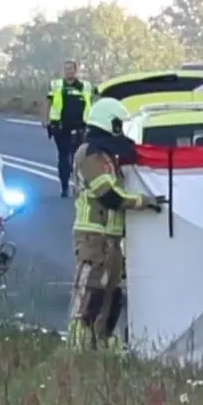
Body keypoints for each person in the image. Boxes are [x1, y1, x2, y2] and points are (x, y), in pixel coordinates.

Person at [69, 97, 160, 350]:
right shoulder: (90, 154)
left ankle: (99, 347)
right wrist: (143, 201)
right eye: (119, 124)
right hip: (93, 236)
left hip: (112, 239)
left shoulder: (107, 154)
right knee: (89, 295)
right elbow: (108, 196)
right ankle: (77, 349)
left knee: (112, 297)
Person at [46, 60, 93, 198]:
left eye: (71, 69)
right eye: (66, 69)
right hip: (61, 126)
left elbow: (93, 102)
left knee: (80, 157)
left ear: (75, 70)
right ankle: (65, 187)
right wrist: (46, 120)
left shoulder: (85, 86)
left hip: (81, 125)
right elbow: (48, 102)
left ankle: (80, 185)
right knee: (63, 157)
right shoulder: (57, 85)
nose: (68, 71)